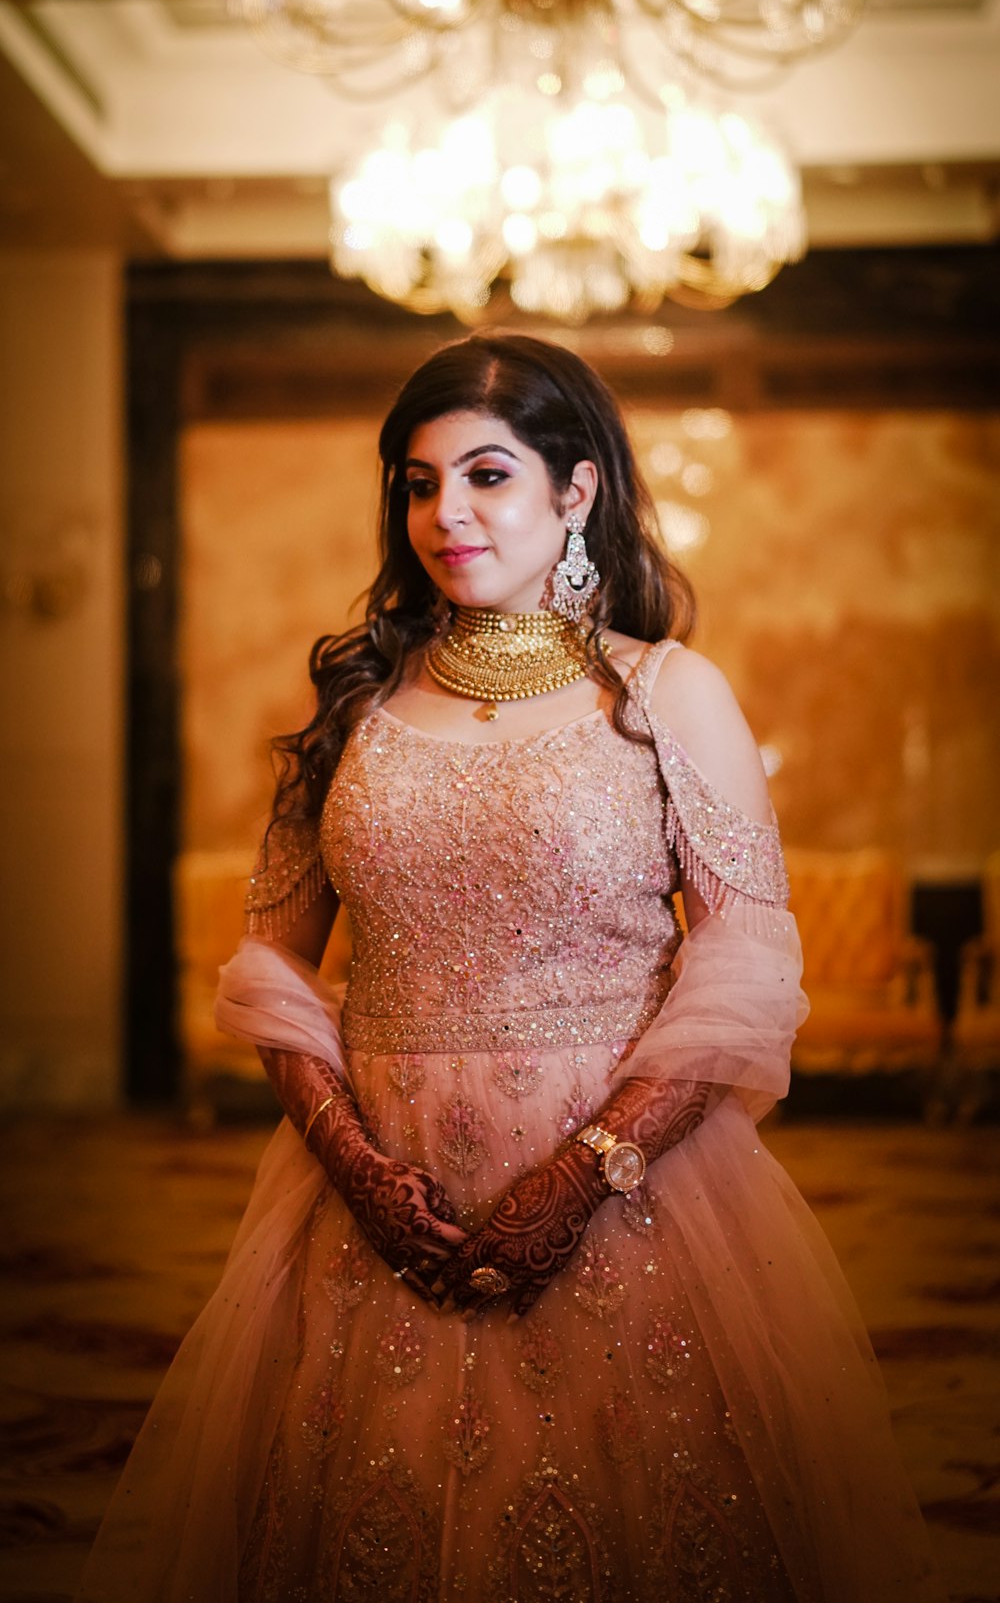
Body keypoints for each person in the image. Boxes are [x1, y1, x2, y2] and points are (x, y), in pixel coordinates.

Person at [80, 333, 942, 1603]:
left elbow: (747, 959)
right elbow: (268, 967)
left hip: (629, 1195)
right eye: (418, 483)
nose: (446, 513)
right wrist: (354, 1162)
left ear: (575, 489)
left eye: (486, 474)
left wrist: (581, 1175)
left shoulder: (662, 693)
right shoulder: (354, 708)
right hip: (374, 1196)